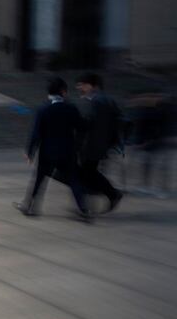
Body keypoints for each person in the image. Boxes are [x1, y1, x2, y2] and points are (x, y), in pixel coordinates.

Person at [14, 77, 90, 219]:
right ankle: (84, 209)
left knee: (39, 179)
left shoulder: (43, 109)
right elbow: (82, 127)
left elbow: (36, 132)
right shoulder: (71, 108)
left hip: (47, 152)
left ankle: (29, 206)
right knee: (74, 180)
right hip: (68, 151)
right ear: (63, 92)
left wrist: (30, 152)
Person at [75, 72, 124, 213]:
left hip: (93, 146)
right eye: (78, 86)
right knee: (89, 172)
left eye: (83, 85)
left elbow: (91, 126)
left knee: (88, 172)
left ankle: (111, 194)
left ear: (93, 86)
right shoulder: (103, 100)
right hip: (98, 145)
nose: (80, 88)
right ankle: (103, 194)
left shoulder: (97, 102)